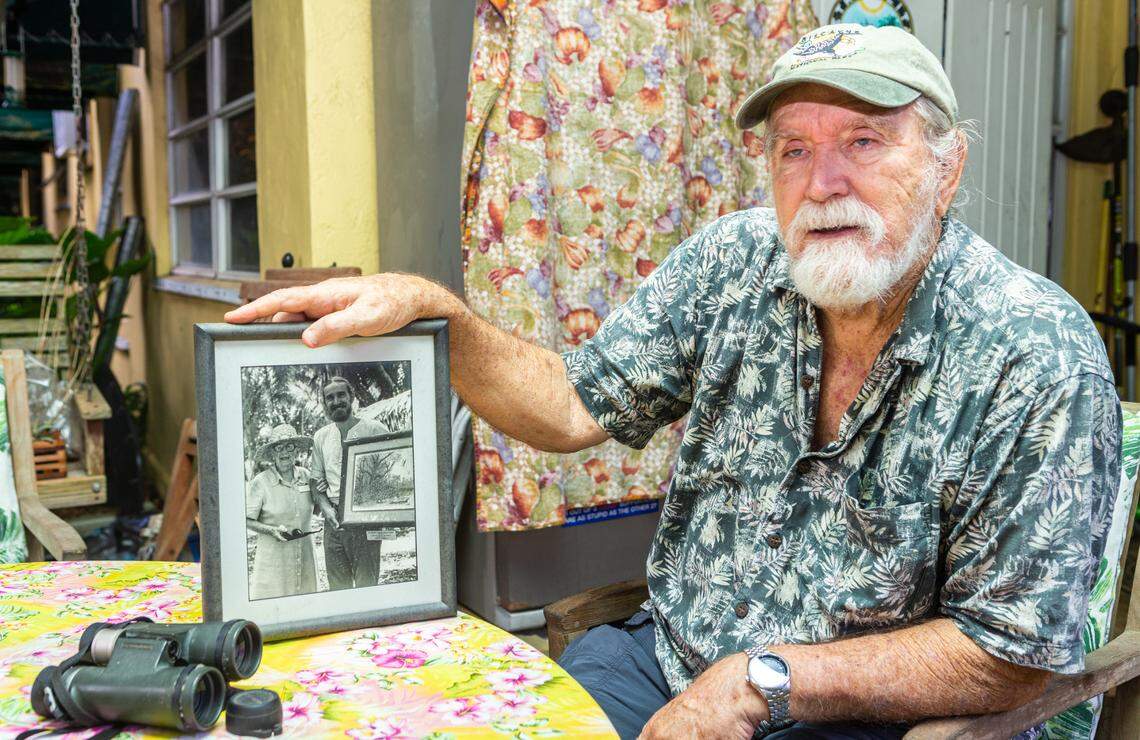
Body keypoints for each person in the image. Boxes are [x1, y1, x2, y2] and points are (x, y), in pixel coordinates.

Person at [226, 23, 1121, 740]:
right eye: (793, 150)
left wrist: (766, 681)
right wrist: (442, 317)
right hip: (668, 660)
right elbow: (573, 403)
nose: (825, 183)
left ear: (946, 164)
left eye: (864, 141)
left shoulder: (1031, 351)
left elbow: (1011, 653)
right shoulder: (734, 263)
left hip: (869, 716)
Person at [309, 376, 393, 591]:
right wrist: (327, 509)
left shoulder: (375, 429)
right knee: (338, 587)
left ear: (351, 397)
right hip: (333, 522)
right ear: (325, 403)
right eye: (330, 398)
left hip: (366, 521)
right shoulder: (321, 437)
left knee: (367, 586)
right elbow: (315, 480)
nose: (336, 401)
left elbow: (393, 474)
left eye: (341, 395)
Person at [245, 424, 317, 600]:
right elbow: (246, 520)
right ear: (272, 454)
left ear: (297, 451)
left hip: (305, 557)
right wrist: (271, 530)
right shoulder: (260, 482)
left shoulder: (307, 476)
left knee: (305, 609)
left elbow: (319, 507)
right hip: (274, 562)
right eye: (279, 447)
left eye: (289, 447)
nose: (284, 452)